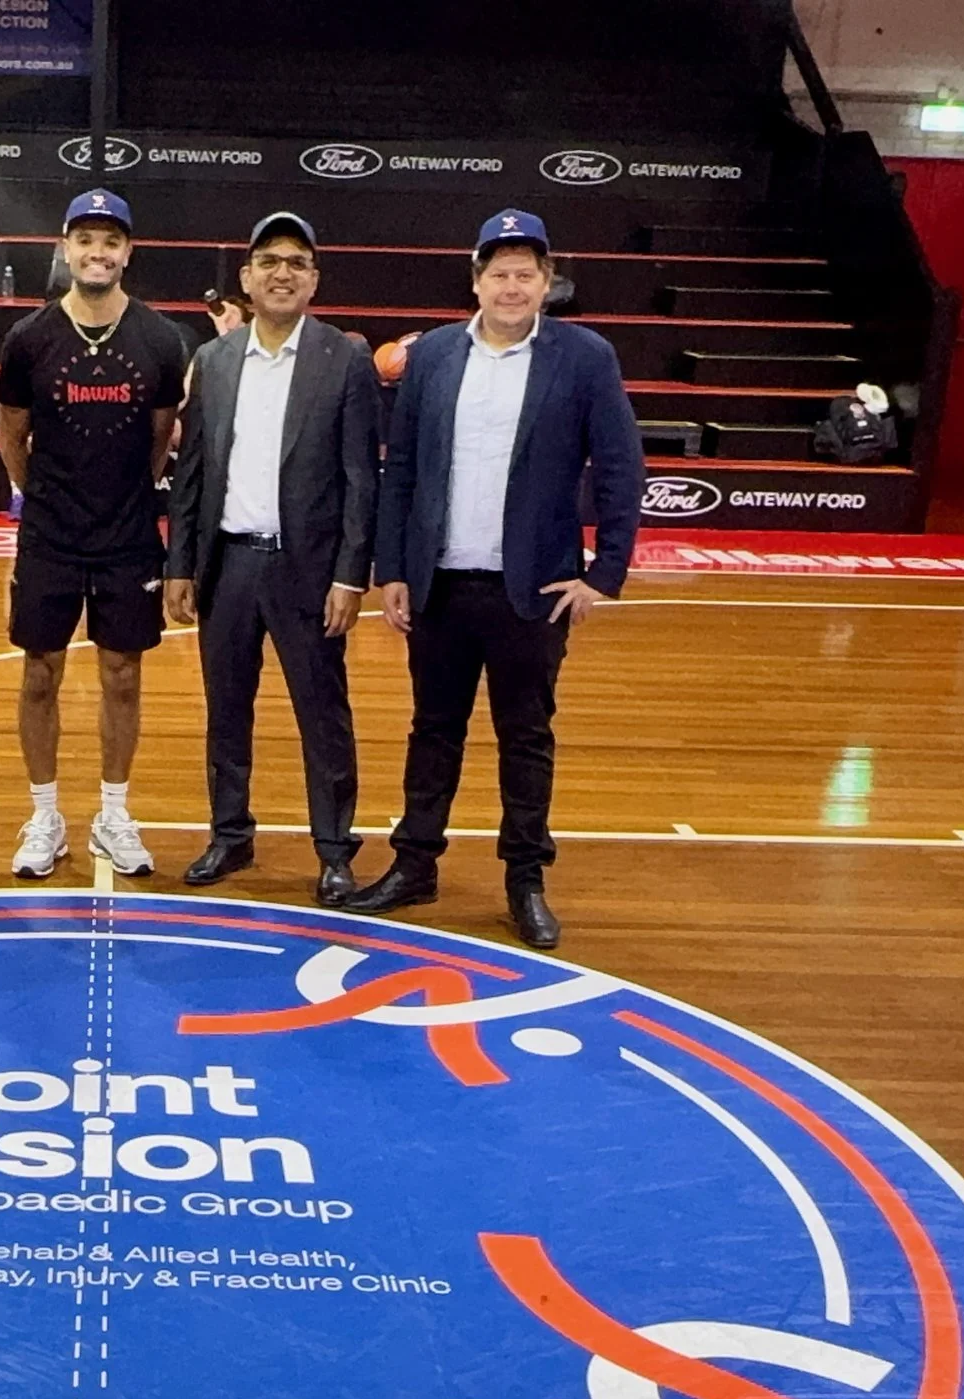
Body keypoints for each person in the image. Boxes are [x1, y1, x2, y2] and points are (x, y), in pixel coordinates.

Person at [351, 209, 646, 951]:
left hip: (534, 591)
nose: (512, 287)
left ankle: (525, 879)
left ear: (547, 283)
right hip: (441, 584)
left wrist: (605, 573)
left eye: (526, 274)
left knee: (526, 736)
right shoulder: (437, 354)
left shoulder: (585, 358)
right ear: (475, 280)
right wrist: (393, 569)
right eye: (499, 273)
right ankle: (414, 863)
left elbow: (620, 466)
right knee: (433, 730)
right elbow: (404, 469)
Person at [165, 211, 380, 907]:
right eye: (269, 261)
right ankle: (230, 833)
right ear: (247, 278)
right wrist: (179, 563)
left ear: (314, 279)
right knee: (227, 708)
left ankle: (334, 848)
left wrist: (352, 571)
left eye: (296, 261)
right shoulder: (216, 360)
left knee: (323, 713)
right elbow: (192, 468)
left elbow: (360, 477)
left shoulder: (344, 357)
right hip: (227, 565)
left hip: (308, 570)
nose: (282, 271)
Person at [0, 187, 188, 878]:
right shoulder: (29, 339)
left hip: (128, 534)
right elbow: (11, 436)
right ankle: (45, 814)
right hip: (50, 534)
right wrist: (45, 495)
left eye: (111, 241)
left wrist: (118, 497)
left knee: (123, 674)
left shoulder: (162, 339)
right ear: (67, 247)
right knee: (40, 671)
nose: (97, 252)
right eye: (86, 239)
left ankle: (113, 813)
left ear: (127, 252)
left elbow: (161, 440)